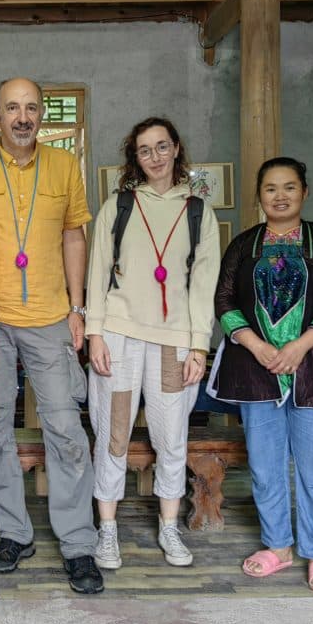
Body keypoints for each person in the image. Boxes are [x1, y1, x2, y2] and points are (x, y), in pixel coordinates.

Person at [0, 77, 103, 594]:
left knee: (66, 431)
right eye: (12, 108)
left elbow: (73, 235)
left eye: (31, 108)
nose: (22, 117)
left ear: (42, 114)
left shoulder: (64, 165)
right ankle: (14, 533)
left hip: (51, 316)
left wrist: (78, 308)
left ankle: (78, 543)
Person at [208, 157, 313, 594]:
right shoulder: (243, 245)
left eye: (289, 187)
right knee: (265, 467)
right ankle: (277, 547)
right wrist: (256, 346)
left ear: (304, 192)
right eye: (271, 188)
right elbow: (224, 300)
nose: (280, 196)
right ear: (259, 195)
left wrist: (301, 345)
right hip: (255, 370)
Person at [85, 117, 219, 570]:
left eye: (162, 146)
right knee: (112, 436)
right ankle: (107, 530)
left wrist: (199, 345)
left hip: (173, 342)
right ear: (135, 157)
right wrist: (95, 334)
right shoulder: (119, 206)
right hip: (118, 336)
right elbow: (97, 273)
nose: (155, 156)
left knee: (171, 437)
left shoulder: (198, 211)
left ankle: (169, 526)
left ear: (176, 148)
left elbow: (203, 285)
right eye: (145, 150)